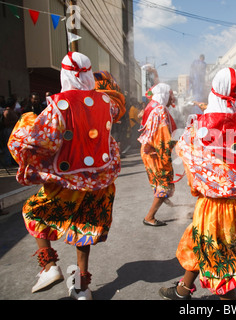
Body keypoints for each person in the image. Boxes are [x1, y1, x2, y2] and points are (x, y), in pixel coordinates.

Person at [7, 52, 125, 300]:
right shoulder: (107, 103)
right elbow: (117, 103)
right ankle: (82, 288)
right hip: (99, 182)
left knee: (34, 213)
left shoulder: (58, 105)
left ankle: (49, 267)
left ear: (65, 75)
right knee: (85, 229)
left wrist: (26, 123)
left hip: (67, 181)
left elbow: (39, 143)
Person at [159, 52, 236, 300]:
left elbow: (186, 152)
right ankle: (183, 290)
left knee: (217, 255)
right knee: (199, 242)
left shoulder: (201, 126)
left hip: (217, 205)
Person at [139, 83, 177, 227]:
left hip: (149, 150)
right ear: (164, 95)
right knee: (164, 183)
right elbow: (163, 138)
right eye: (170, 95)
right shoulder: (160, 110)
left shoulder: (154, 107)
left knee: (160, 181)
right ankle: (150, 217)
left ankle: (163, 198)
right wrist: (170, 153)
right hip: (156, 152)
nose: (172, 98)